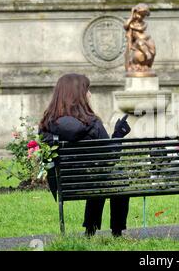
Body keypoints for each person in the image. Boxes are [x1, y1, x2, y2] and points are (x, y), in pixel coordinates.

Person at [38, 73, 131, 237]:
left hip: (66, 184)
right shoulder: (92, 123)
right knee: (113, 175)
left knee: (96, 175)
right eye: (87, 90)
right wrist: (118, 135)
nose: (90, 94)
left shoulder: (46, 124)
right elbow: (109, 159)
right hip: (93, 180)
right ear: (79, 95)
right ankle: (117, 231)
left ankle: (90, 230)